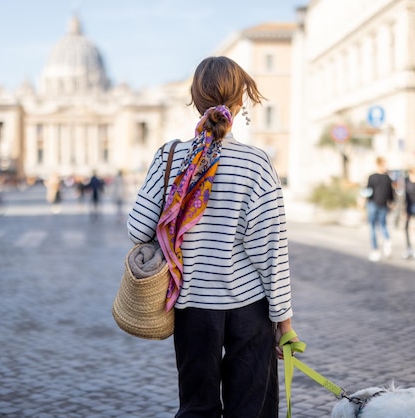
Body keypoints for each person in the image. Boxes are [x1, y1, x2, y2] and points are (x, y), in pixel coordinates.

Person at [127, 56, 297, 417]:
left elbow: (138, 228)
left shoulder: (170, 156)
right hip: (248, 309)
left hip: (192, 309)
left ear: (195, 100)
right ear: (240, 102)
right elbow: (271, 251)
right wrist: (284, 322)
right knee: (251, 410)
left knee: (196, 409)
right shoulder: (256, 162)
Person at [364, 157, 395, 262]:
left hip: (373, 204)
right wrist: (391, 203)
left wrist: (364, 200)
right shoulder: (387, 178)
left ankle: (375, 250)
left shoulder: (372, 177)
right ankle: (387, 241)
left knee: (373, 227)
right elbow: (391, 193)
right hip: (384, 204)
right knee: (383, 225)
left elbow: (368, 191)